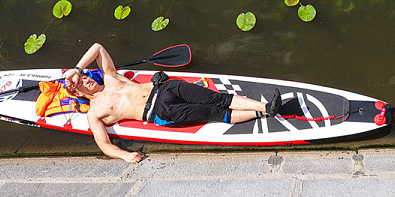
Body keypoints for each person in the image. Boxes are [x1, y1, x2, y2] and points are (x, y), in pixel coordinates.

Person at [62, 42, 282, 162]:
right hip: (161, 111)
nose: (85, 81)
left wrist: (76, 69)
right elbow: (104, 145)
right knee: (214, 113)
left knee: (219, 98)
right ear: (79, 94)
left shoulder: (110, 77)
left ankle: (265, 106)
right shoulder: (95, 113)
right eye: (80, 83)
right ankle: (261, 113)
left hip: (166, 87)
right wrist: (125, 155)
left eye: (85, 77)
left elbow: (97, 47)